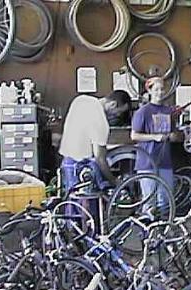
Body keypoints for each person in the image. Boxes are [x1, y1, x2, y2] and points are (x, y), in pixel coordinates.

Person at [59, 90, 131, 193]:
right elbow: (100, 159)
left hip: (66, 163)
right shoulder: (101, 122)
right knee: (85, 207)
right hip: (81, 169)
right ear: (112, 104)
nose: (117, 116)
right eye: (119, 112)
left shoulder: (80, 100)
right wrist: (114, 181)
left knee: (70, 204)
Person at [130, 77, 177, 213]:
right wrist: (154, 137)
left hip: (165, 161)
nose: (160, 92)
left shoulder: (169, 111)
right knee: (149, 201)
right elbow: (134, 135)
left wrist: (173, 136)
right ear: (149, 90)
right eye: (156, 89)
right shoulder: (143, 112)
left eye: (162, 89)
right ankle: (147, 231)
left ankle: (165, 231)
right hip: (147, 162)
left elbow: (173, 133)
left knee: (166, 200)